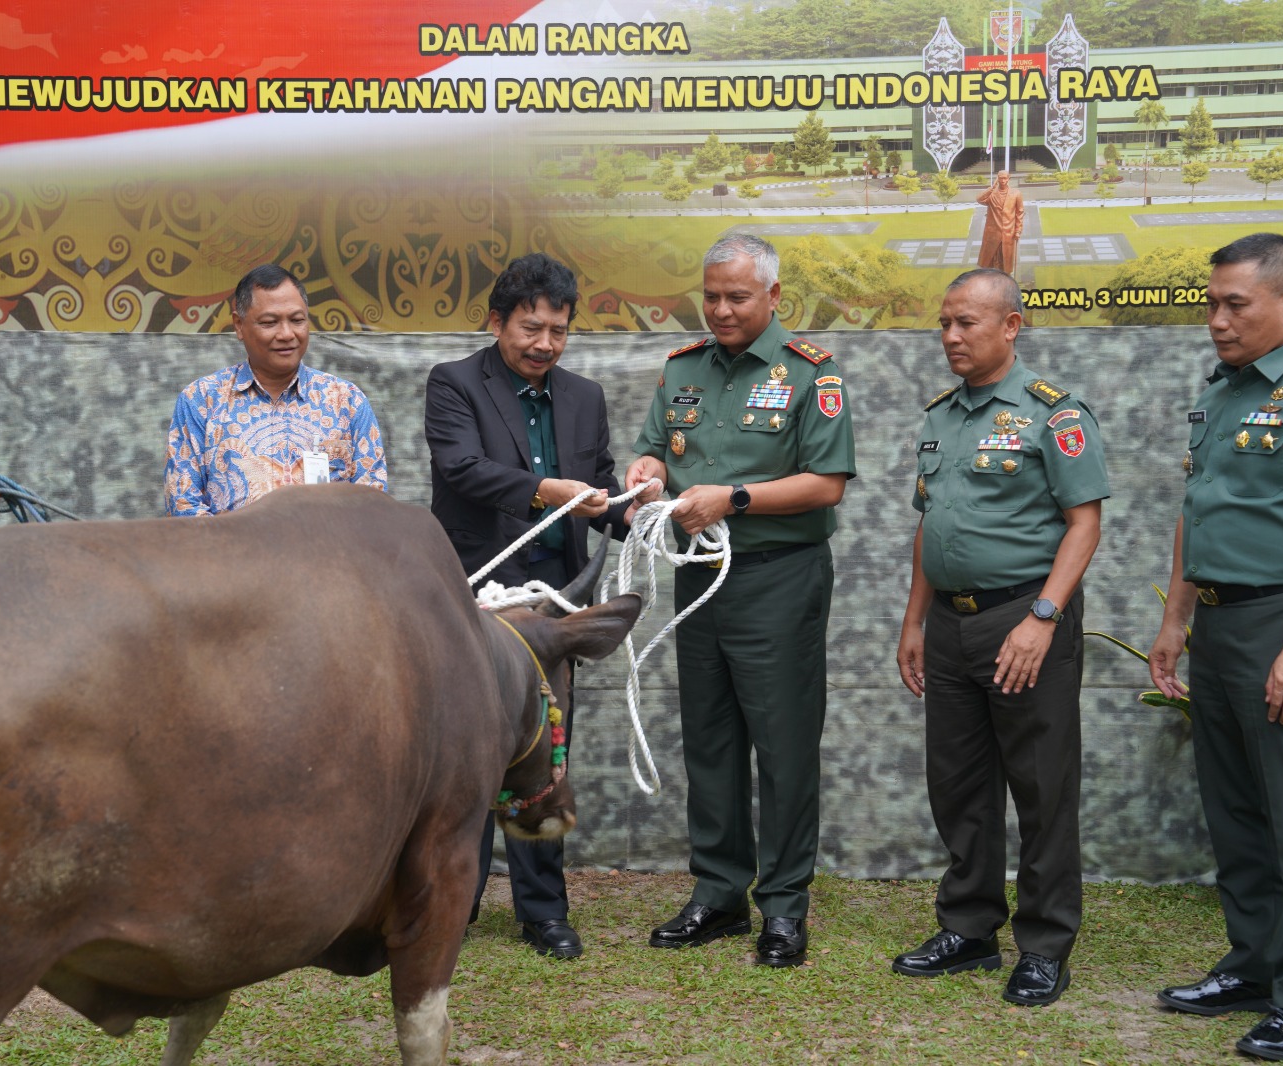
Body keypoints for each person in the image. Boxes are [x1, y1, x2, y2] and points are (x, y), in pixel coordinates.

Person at [1148, 233, 1283, 1061]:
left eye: (1234, 303)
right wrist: (1176, 621)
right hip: (1221, 622)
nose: (1217, 320)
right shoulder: (1224, 394)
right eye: (1212, 303)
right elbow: (1195, 512)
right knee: (1236, 809)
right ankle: (1254, 964)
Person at [624, 233, 854, 968]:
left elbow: (827, 483)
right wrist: (648, 464)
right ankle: (718, 892)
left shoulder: (810, 374)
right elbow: (658, 447)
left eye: (737, 297)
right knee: (711, 740)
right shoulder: (683, 369)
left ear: (774, 297)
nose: (720, 309)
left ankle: (783, 907)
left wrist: (736, 499)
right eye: (712, 295)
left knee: (783, 748)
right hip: (699, 578)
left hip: (777, 578)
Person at [892, 268, 1108, 1007]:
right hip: (949, 624)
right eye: (945, 323)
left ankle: (1045, 946)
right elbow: (931, 526)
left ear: (1011, 326)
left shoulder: (1055, 414)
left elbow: (1085, 523)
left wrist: (1042, 619)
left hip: (1024, 621)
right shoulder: (940, 417)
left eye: (968, 324)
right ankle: (970, 927)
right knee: (957, 784)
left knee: (1042, 788)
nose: (951, 337)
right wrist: (915, 620)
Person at [424, 253, 625, 960]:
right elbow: (463, 470)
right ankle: (459, 894)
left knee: (544, 755)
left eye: (559, 331)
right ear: (497, 321)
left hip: (556, 611)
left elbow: (599, 489)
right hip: (479, 599)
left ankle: (544, 910)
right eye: (531, 328)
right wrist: (549, 491)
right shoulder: (453, 385)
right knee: (470, 753)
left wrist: (641, 505)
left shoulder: (584, 396)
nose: (545, 344)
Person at [164, 264, 386, 515]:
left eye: (297, 320)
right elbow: (183, 505)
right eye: (270, 322)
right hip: (233, 552)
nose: (286, 334)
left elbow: (373, 503)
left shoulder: (347, 401)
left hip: (329, 552)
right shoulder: (201, 401)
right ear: (239, 325)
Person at [975, 171, 1024, 275]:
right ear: (997, 179)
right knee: (990, 260)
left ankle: (1004, 278)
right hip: (992, 233)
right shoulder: (992, 195)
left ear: (1009, 178)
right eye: (1000, 178)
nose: (1003, 181)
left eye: (1005, 178)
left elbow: (1019, 213)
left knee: (1005, 259)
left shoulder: (1016, 194)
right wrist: (992, 188)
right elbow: (979, 199)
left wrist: (1018, 230)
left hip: (1008, 232)